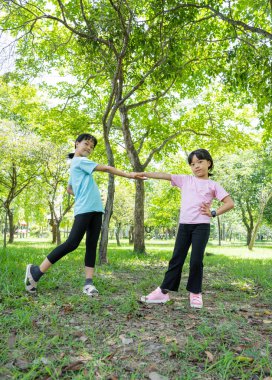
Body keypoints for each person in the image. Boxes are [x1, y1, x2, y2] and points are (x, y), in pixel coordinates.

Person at [25, 133, 138, 296]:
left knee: (92, 245)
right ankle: (36, 272)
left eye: (92, 147)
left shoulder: (74, 165)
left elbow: (69, 188)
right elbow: (106, 168)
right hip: (85, 209)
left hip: (96, 209)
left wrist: (85, 193)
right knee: (71, 243)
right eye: (86, 144)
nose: (89, 148)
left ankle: (88, 283)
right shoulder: (80, 161)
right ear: (76, 144)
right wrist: (130, 175)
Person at [136, 149, 234, 308]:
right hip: (184, 226)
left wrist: (213, 212)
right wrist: (144, 173)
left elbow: (229, 203)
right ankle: (163, 292)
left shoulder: (213, 185)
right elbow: (164, 175)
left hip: (201, 227)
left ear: (209, 163)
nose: (196, 166)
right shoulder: (185, 180)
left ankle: (195, 293)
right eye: (192, 164)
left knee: (196, 260)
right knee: (177, 259)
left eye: (200, 162)